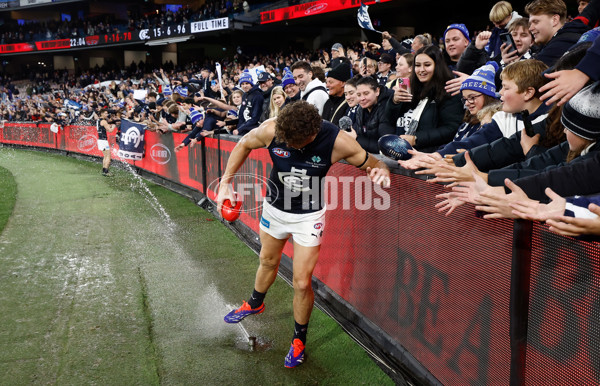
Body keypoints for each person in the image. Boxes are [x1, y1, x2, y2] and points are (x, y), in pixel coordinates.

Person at [218, 100, 390, 368]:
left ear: (314, 132)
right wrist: (225, 184)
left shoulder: (338, 141)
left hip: (308, 217)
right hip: (275, 209)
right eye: (288, 143)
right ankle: (254, 303)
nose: (292, 148)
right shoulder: (270, 129)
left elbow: (374, 163)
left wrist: (381, 172)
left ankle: (298, 340)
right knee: (267, 261)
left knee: (301, 282)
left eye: (299, 144)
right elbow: (243, 144)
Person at [399, 61, 502, 169]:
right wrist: (432, 155)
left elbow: (470, 144)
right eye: (465, 99)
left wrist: (436, 156)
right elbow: (455, 143)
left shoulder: (493, 121)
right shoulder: (467, 122)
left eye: (472, 97)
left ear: (488, 96)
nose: (467, 103)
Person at [385, 44, 464, 152]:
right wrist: (394, 102)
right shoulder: (411, 87)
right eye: (417, 65)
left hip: (430, 156)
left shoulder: (449, 90)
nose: (421, 70)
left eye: (427, 65)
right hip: (403, 153)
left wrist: (416, 138)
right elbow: (389, 120)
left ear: (437, 66)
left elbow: (451, 129)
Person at [525, 0, 588, 66]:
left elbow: (527, 75)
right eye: (530, 24)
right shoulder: (556, 41)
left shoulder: (560, 46)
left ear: (554, 20)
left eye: (536, 22)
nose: (530, 28)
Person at [351, 76, 395, 153]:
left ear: (377, 91)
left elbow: (385, 145)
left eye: (366, 93)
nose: (362, 98)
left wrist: (356, 139)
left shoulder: (386, 107)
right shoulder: (360, 109)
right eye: (358, 95)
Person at [322, 61, 352, 126]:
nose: (327, 85)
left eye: (331, 82)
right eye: (326, 82)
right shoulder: (328, 103)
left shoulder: (349, 104)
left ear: (343, 83)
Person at [236, 70, 264, 135]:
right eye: (242, 84)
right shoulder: (244, 95)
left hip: (253, 131)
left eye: (247, 83)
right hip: (244, 129)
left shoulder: (257, 96)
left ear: (251, 84)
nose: (244, 86)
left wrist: (240, 129)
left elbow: (255, 118)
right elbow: (241, 115)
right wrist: (239, 129)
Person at [96, 109, 117, 176]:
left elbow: (104, 127)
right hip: (103, 141)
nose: (107, 114)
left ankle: (104, 170)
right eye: (105, 113)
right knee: (108, 156)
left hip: (100, 140)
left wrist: (109, 126)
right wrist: (113, 126)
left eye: (107, 113)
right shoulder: (104, 121)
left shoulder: (98, 120)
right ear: (101, 114)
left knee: (105, 156)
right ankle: (106, 172)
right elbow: (110, 130)